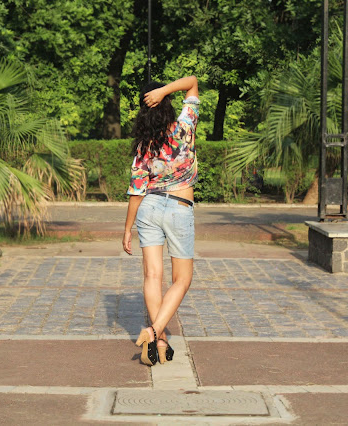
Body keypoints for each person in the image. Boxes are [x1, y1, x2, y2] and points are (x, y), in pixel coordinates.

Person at [122, 76, 199, 366]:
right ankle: (154, 331)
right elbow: (192, 83)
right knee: (183, 279)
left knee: (152, 277)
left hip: (149, 208)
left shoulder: (144, 145)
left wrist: (127, 229)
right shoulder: (185, 127)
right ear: (166, 105)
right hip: (179, 206)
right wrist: (164, 90)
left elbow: (136, 190)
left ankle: (161, 343)